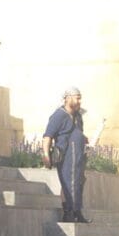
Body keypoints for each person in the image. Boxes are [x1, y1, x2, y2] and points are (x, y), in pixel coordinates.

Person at [42, 87, 91, 223]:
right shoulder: (59, 115)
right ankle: (68, 212)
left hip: (78, 154)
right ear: (68, 98)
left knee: (78, 182)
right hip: (65, 155)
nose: (79, 101)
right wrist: (46, 155)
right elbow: (48, 136)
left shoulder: (78, 116)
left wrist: (85, 139)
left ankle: (76, 211)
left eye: (80, 97)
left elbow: (78, 133)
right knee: (68, 182)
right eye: (77, 97)